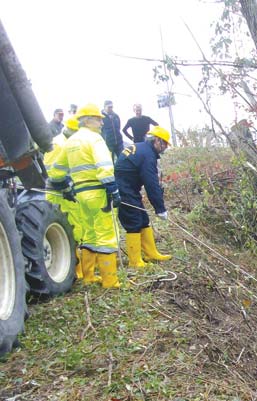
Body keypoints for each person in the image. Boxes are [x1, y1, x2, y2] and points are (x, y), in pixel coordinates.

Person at [48, 103, 121, 289]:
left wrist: (64, 185)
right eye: (98, 119)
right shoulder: (94, 139)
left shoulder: (71, 141)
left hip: (79, 195)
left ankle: (88, 276)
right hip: (98, 192)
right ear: (88, 120)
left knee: (88, 235)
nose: (101, 123)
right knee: (106, 235)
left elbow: (56, 171)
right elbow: (104, 165)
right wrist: (113, 189)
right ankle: (110, 281)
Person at [115, 126, 172, 268]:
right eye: (164, 143)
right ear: (157, 140)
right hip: (123, 189)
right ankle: (135, 261)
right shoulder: (147, 155)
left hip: (130, 188)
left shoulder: (143, 149)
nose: (165, 147)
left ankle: (150, 253)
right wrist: (160, 209)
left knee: (143, 218)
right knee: (133, 220)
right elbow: (151, 184)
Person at [44, 117, 84, 278]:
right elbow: (55, 173)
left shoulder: (61, 142)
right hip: (59, 193)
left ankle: (78, 265)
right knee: (73, 227)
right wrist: (68, 189)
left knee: (74, 226)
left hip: (61, 192)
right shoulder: (61, 145)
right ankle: (77, 268)